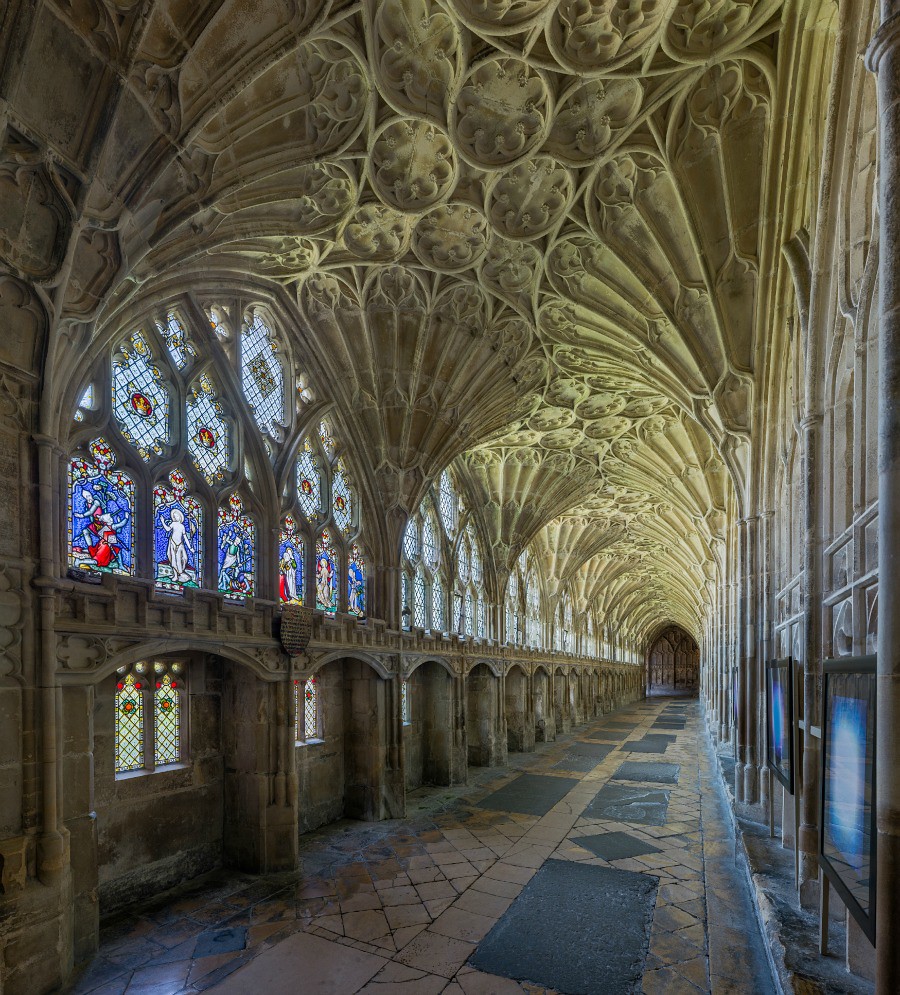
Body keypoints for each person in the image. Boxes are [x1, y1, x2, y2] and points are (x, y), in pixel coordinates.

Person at [161, 507, 193, 582]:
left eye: (177, 516)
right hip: (172, 543)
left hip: (180, 545)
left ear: (180, 516)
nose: (176, 517)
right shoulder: (173, 524)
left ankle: (180, 573)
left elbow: (185, 537)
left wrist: (190, 548)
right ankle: (175, 575)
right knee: (173, 559)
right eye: (174, 516)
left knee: (183, 558)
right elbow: (168, 529)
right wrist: (163, 522)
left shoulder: (182, 526)